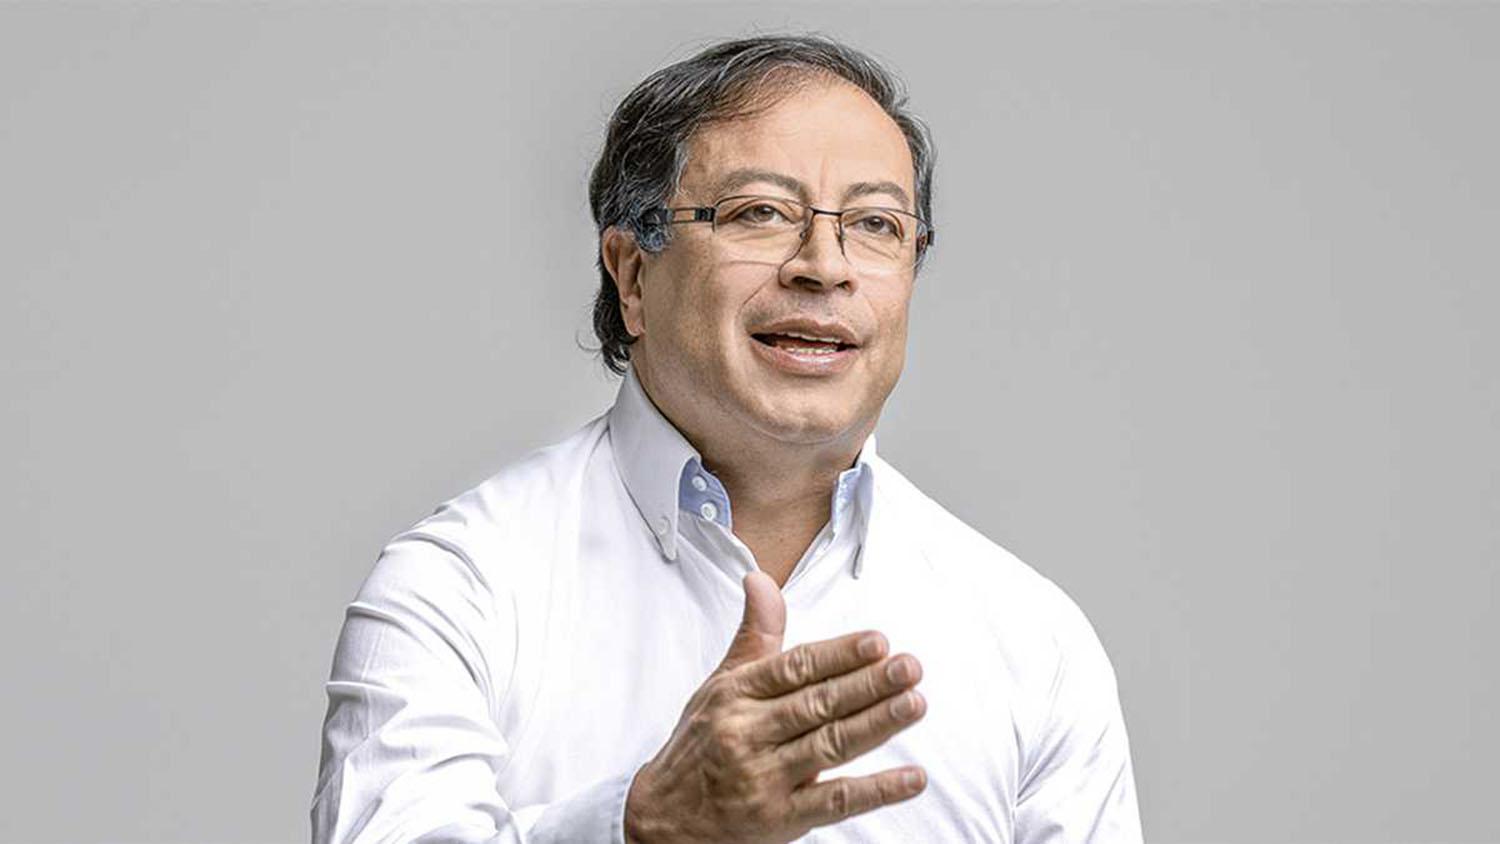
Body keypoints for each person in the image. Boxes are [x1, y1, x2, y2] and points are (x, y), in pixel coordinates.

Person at [311, 33, 1143, 843]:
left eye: (876, 224)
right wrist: (644, 828)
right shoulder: (459, 587)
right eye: (760, 213)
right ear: (632, 275)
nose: (826, 266)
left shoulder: (1033, 639)